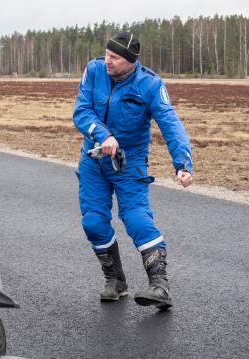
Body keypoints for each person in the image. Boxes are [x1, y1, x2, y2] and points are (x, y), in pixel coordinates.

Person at [73, 32, 193, 309]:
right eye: (106, 54)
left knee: (137, 219)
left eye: (114, 57)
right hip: (93, 160)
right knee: (93, 222)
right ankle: (115, 280)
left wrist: (183, 163)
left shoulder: (150, 84)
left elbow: (170, 123)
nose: (107, 61)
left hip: (130, 163)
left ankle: (160, 286)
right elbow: (81, 111)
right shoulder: (93, 70)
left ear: (130, 61)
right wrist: (103, 136)